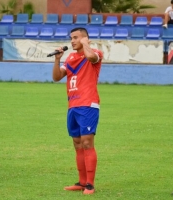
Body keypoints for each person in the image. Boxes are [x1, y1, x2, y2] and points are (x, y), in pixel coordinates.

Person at [51, 27, 103, 195]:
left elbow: (90, 56)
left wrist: (85, 43)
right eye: (71, 37)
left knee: (87, 142)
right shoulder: (71, 57)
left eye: (75, 37)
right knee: (77, 144)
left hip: (88, 104)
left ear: (84, 39)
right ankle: (81, 182)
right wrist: (58, 59)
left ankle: (90, 184)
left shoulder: (95, 53)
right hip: (72, 105)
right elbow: (57, 77)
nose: (72, 41)